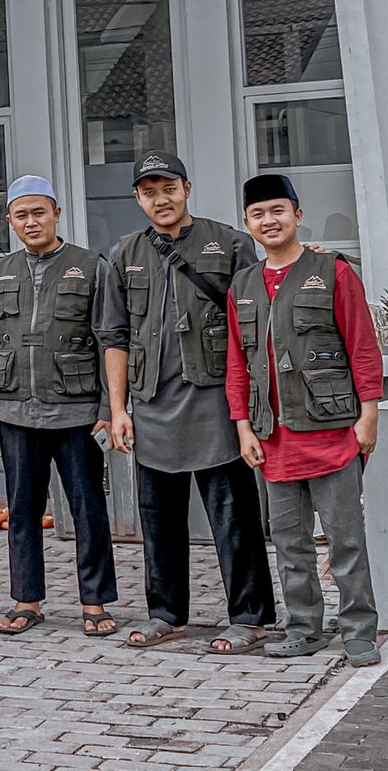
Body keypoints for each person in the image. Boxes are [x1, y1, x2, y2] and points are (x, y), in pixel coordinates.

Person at [97, 151, 276, 653]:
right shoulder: (122, 254)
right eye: (149, 190)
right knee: (159, 520)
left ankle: (249, 616)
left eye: (168, 187)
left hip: (218, 403)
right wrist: (117, 410)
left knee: (234, 518)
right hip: (151, 405)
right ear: (137, 197)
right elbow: (113, 336)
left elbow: (258, 323)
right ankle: (167, 613)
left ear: (186, 187)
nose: (160, 198)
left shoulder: (231, 244)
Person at [227, 174, 384, 667]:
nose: (268, 221)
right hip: (273, 438)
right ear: (247, 223)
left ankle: (359, 629)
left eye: (278, 210)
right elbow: (237, 361)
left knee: (346, 542)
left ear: (297, 214)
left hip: (332, 431)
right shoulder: (244, 284)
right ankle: (303, 626)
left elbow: (361, 345)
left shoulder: (333, 272)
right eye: (258, 214)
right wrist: (243, 427)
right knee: (290, 545)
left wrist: (370, 412)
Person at [0, 175, 118, 638]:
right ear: (10, 221)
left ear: (57, 213)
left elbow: (107, 340)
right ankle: (26, 598)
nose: (31, 221)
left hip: (77, 414)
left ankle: (94, 601)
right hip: (16, 412)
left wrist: (109, 406)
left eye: (40, 212)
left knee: (88, 508)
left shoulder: (91, 266)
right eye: (21, 215)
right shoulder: (0, 273)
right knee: (21, 509)